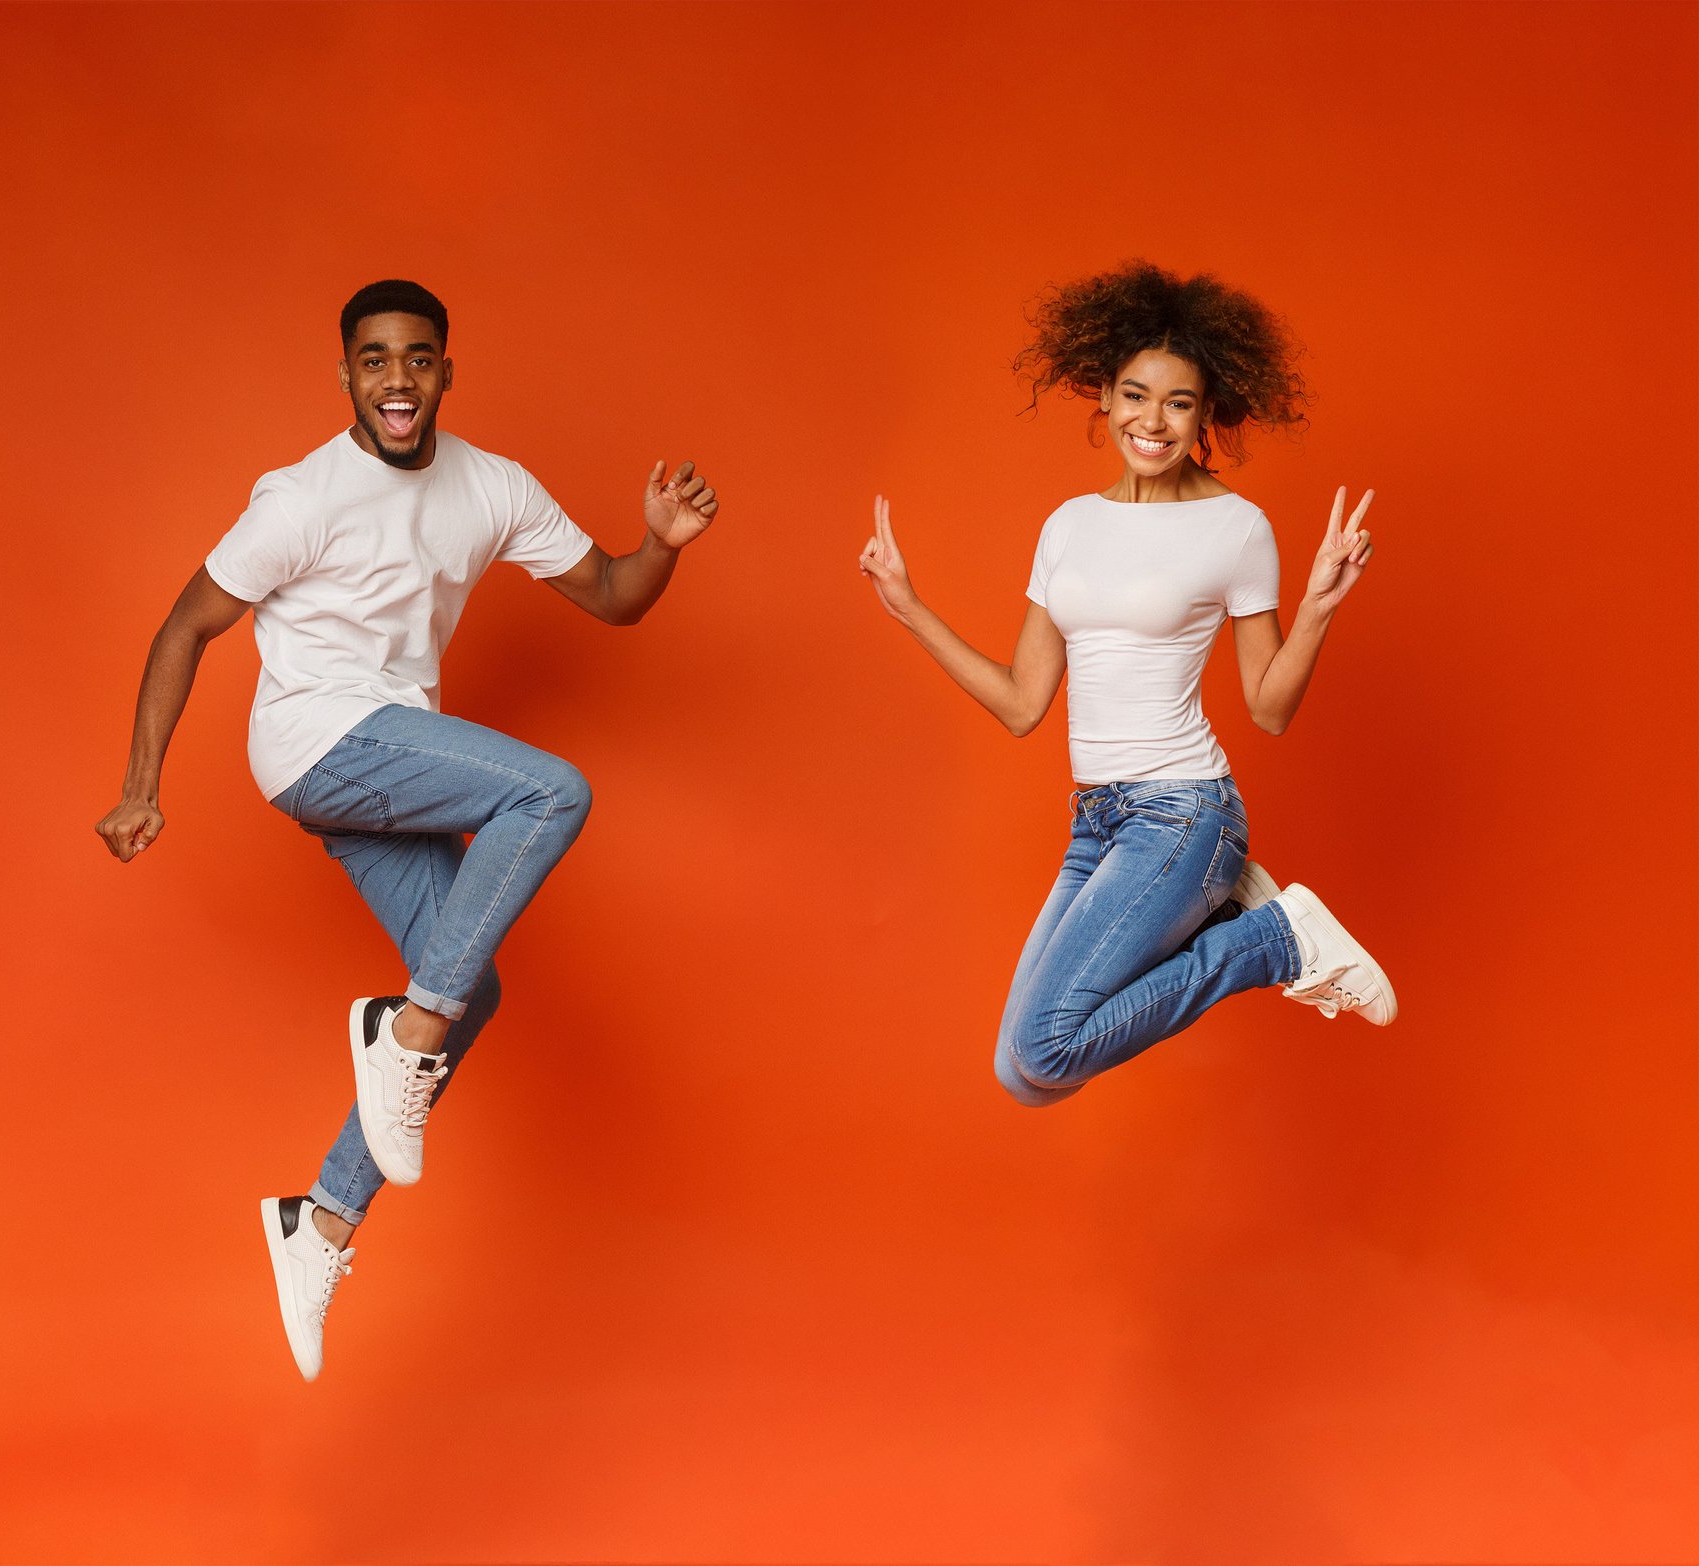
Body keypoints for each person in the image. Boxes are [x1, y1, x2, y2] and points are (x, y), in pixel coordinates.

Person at [95, 279, 719, 1378]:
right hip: (315, 741)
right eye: (374, 361)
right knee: (554, 792)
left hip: (393, 756)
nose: (397, 380)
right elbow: (187, 624)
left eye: (417, 359)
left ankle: (320, 1220)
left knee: (467, 989)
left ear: (444, 371)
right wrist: (144, 784)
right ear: (345, 376)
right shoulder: (299, 497)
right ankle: (402, 1027)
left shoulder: (494, 488)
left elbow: (616, 594)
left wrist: (661, 542)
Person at [857, 260, 1394, 1110]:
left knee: (1049, 1043)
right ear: (1103, 395)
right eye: (1136, 395)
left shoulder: (1234, 527)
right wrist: (908, 607)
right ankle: (1235, 920)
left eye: (1178, 402)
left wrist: (1321, 606)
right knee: (1023, 1075)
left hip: (1183, 812)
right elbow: (1023, 705)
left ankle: (1271, 944)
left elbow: (1270, 709)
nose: (1153, 420)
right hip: (1099, 821)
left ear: (1204, 413)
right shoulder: (1069, 525)